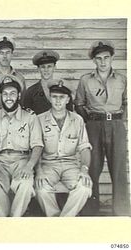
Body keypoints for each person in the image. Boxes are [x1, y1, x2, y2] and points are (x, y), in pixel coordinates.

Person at [75, 40, 130, 216]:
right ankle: (91, 209)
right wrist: (90, 121)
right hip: (94, 126)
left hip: (116, 125)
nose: (103, 62)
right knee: (92, 167)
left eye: (106, 58)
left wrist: (120, 120)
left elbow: (126, 102)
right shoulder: (86, 80)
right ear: (94, 61)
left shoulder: (122, 79)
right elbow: (79, 104)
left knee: (119, 168)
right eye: (99, 59)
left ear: (112, 58)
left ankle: (121, 211)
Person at [0, 75, 43, 217]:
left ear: (19, 95)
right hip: (0, 162)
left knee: (26, 186)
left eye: (12, 93)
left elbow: (37, 145)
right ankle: (6, 220)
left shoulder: (30, 117)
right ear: (0, 96)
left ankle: (13, 221)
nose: (8, 97)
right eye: (5, 94)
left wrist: (29, 166)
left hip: (22, 161)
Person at [35, 81, 92, 216]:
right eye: (54, 97)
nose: (58, 100)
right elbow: (35, 148)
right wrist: (39, 171)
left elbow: (84, 148)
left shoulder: (77, 120)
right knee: (41, 188)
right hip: (48, 165)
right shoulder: (39, 119)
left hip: (71, 165)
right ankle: (58, 219)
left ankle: (63, 221)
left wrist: (84, 170)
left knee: (84, 187)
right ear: (49, 98)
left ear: (68, 99)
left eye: (62, 97)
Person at [23, 50, 73, 115]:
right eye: (43, 67)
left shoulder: (64, 90)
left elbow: (69, 114)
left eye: (49, 66)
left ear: (55, 67)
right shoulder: (31, 92)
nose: (46, 70)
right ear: (38, 69)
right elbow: (26, 116)